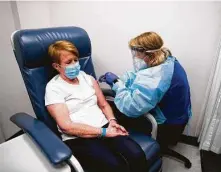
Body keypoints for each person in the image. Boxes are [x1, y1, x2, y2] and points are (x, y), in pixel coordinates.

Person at [44, 40, 148, 172]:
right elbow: (66, 126)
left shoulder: (87, 78)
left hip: (105, 127)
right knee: (115, 166)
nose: (75, 65)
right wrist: (104, 133)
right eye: (68, 62)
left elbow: (104, 104)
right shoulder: (54, 88)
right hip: (79, 138)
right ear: (56, 66)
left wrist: (112, 121)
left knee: (136, 154)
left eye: (76, 60)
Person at [99, 31, 192, 149]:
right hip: (179, 117)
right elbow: (140, 74)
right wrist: (121, 79)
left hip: (167, 124)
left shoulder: (156, 76)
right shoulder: (166, 61)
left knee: (119, 110)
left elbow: (132, 107)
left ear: (148, 54)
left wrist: (116, 84)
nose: (136, 57)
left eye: (137, 54)